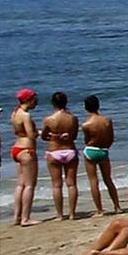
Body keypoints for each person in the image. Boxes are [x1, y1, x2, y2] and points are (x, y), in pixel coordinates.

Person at [39, 91, 80, 221]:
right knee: (71, 184)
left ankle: (60, 215)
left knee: (57, 185)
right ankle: (72, 213)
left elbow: (44, 137)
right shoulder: (73, 118)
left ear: (53, 103)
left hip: (54, 151)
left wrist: (53, 136)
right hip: (70, 150)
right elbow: (74, 137)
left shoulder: (49, 119)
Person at [81, 95, 119, 215]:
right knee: (108, 180)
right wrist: (106, 147)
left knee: (93, 181)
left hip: (91, 150)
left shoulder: (86, 124)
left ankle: (99, 210)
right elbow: (111, 138)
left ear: (86, 108)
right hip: (104, 150)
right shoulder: (107, 120)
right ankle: (117, 206)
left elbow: (87, 140)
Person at [9, 88, 40, 228]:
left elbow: (20, 132)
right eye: (35, 99)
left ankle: (17, 216)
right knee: (29, 185)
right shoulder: (26, 115)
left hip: (17, 148)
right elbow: (31, 135)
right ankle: (26, 218)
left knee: (20, 185)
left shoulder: (15, 113)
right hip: (27, 149)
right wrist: (40, 132)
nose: (37, 102)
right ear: (29, 100)